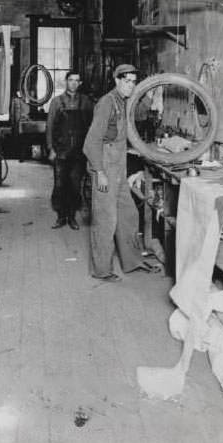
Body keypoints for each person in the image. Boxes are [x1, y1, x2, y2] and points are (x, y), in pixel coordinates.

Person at [82, 63, 160, 281]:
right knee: (106, 221)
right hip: (105, 165)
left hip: (119, 167)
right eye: (126, 81)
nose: (130, 86)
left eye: (133, 82)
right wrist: (100, 172)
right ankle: (102, 270)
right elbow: (90, 143)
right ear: (116, 80)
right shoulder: (106, 103)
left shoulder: (125, 102)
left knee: (128, 215)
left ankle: (133, 262)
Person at [46, 71, 93, 230]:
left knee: (74, 185)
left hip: (79, 153)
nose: (73, 83)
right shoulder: (57, 102)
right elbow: (50, 127)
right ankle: (61, 217)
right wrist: (50, 148)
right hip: (60, 151)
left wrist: (90, 150)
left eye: (77, 80)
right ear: (66, 82)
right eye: (71, 80)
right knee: (60, 185)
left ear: (80, 83)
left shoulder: (86, 102)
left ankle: (72, 217)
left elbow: (91, 128)